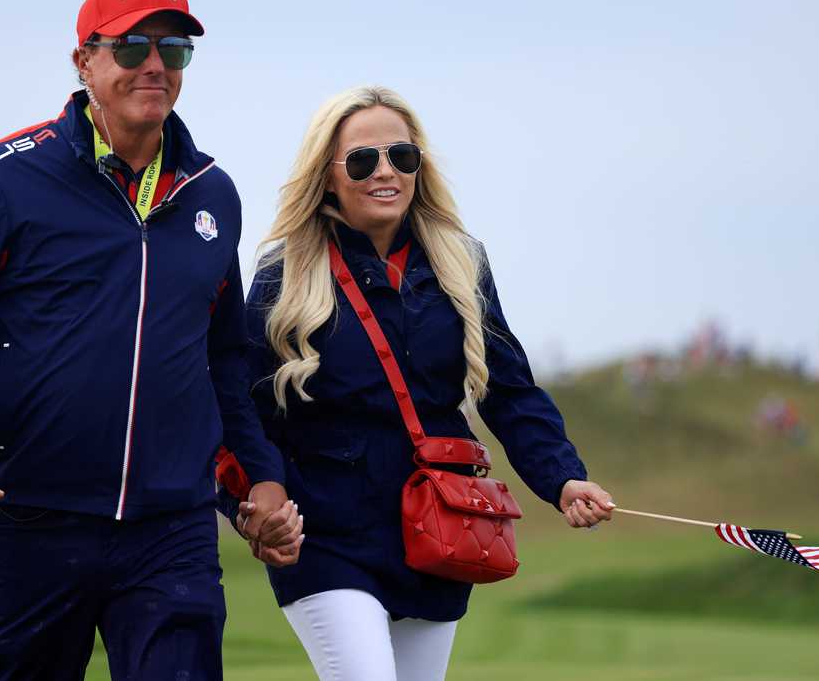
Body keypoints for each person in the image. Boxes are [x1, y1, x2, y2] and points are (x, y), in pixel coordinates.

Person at [0, 0, 301, 681]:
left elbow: (225, 361)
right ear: (84, 60)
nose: (153, 66)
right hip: (29, 520)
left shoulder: (211, 194)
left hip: (170, 528)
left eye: (173, 51)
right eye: (132, 45)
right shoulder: (4, 179)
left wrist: (257, 477)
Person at [220, 86, 614, 681]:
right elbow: (241, 407)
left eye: (401, 157)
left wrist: (562, 478)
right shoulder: (285, 274)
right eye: (362, 159)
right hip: (327, 537)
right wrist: (251, 504)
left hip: (438, 531)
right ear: (326, 176)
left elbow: (509, 391)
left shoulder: (462, 262)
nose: (385, 172)